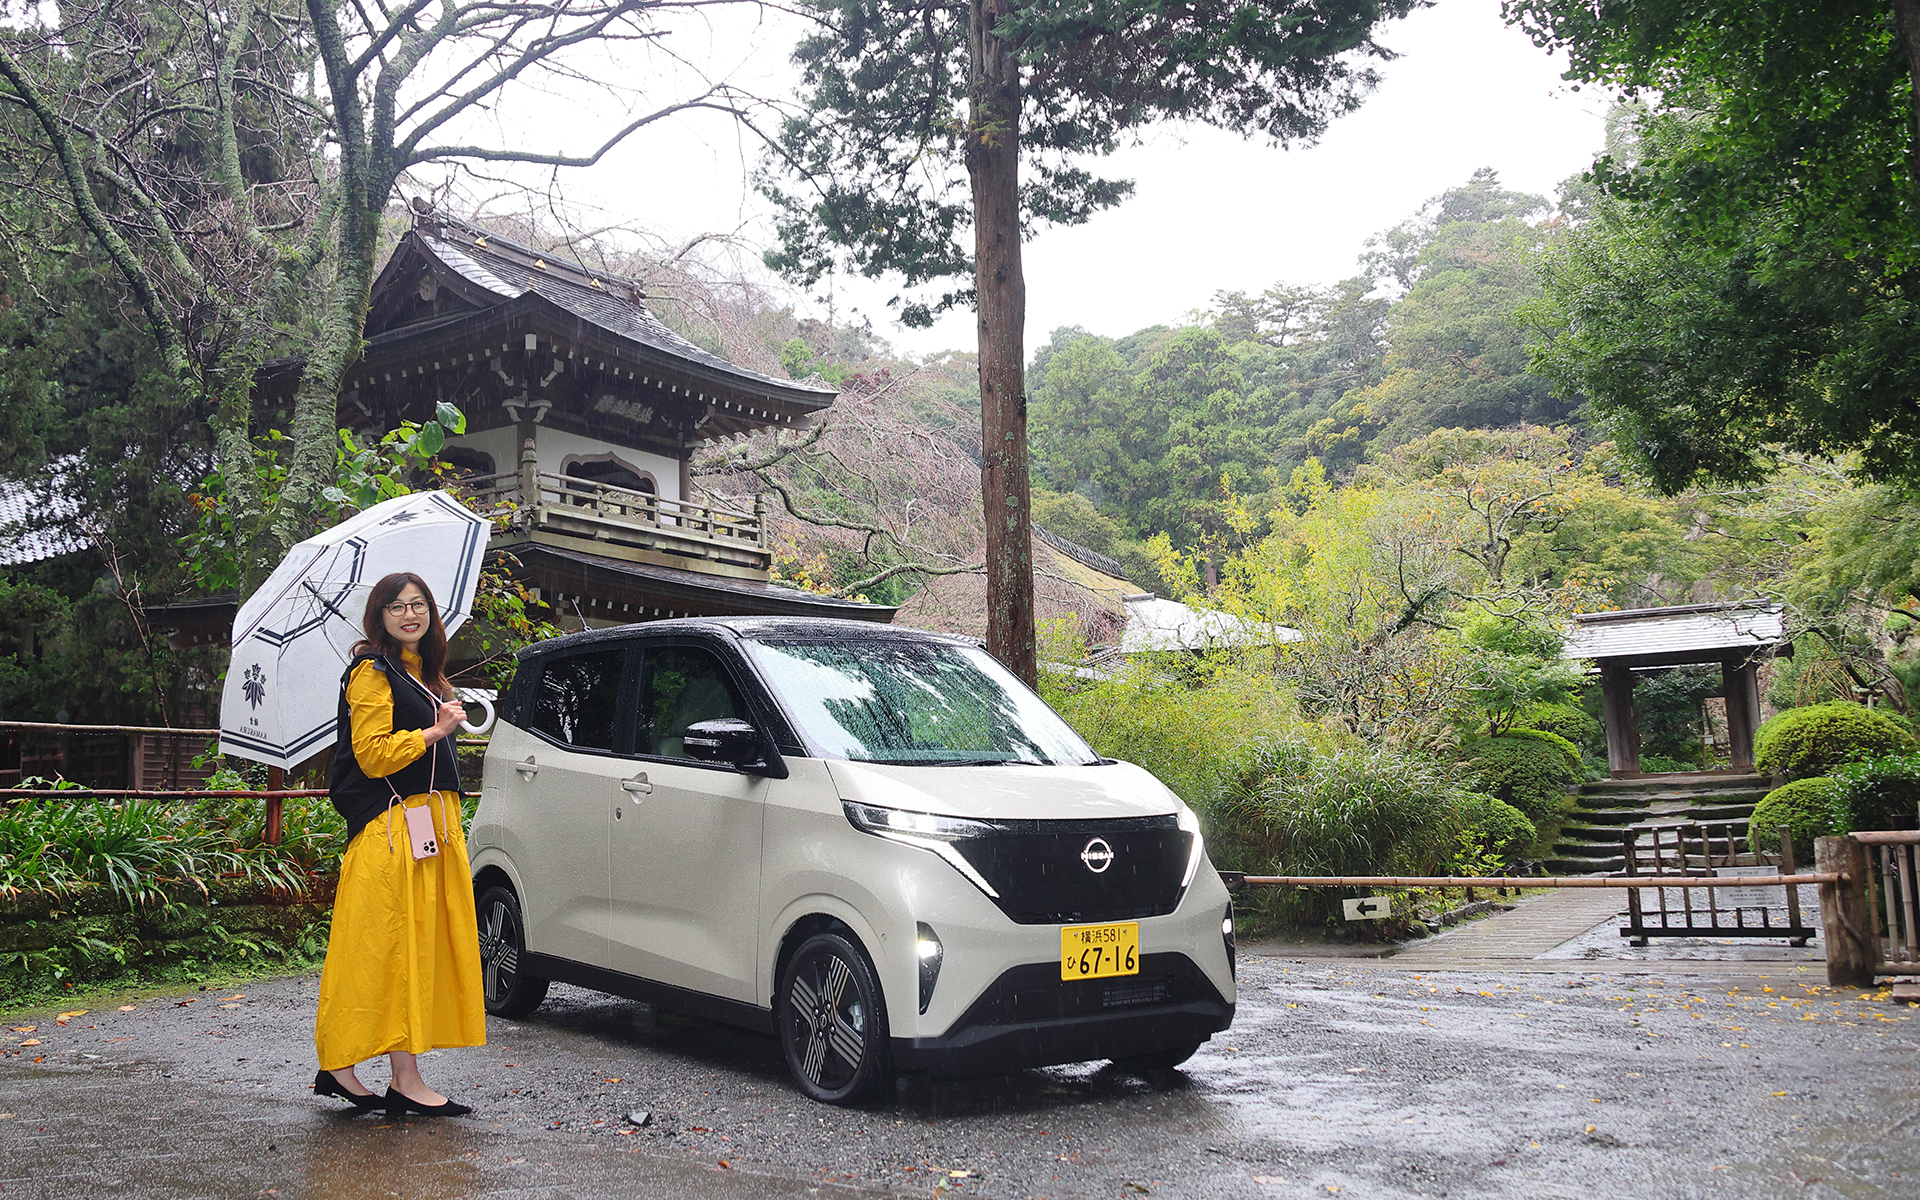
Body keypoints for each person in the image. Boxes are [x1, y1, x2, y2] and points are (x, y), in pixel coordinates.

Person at [311, 571, 486, 1116]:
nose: (410, 614)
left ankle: (402, 1077)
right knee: (381, 950)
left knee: (415, 950)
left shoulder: (423, 675)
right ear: (379, 617)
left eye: (418, 605)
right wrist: (435, 731)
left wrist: (446, 709)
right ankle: (343, 1064)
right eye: (396, 607)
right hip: (392, 829)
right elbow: (373, 756)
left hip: (430, 824)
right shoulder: (370, 673)